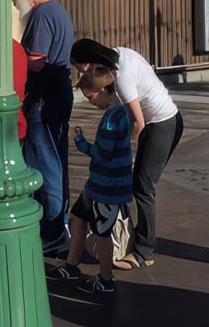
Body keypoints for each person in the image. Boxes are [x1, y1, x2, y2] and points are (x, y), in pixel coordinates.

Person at [71, 38, 181, 270]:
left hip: (162, 124)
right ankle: (135, 241)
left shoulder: (121, 79)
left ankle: (144, 251)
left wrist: (121, 154)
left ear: (90, 63)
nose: (81, 72)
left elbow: (139, 123)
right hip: (159, 121)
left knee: (143, 186)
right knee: (139, 184)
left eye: (80, 67)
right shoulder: (118, 54)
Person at [46, 66, 133, 295]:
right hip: (97, 184)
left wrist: (82, 144)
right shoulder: (119, 113)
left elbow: (102, 154)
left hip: (107, 187)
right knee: (77, 218)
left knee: (103, 234)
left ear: (104, 90)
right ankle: (72, 265)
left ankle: (106, 278)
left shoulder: (111, 120)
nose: (91, 102)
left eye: (91, 97)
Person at [14, 0, 75, 256]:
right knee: (55, 161)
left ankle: (52, 231)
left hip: (45, 99)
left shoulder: (40, 16)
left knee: (45, 165)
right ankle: (58, 223)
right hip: (59, 94)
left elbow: (36, 61)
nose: (14, 5)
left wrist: (11, 57)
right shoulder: (58, 10)